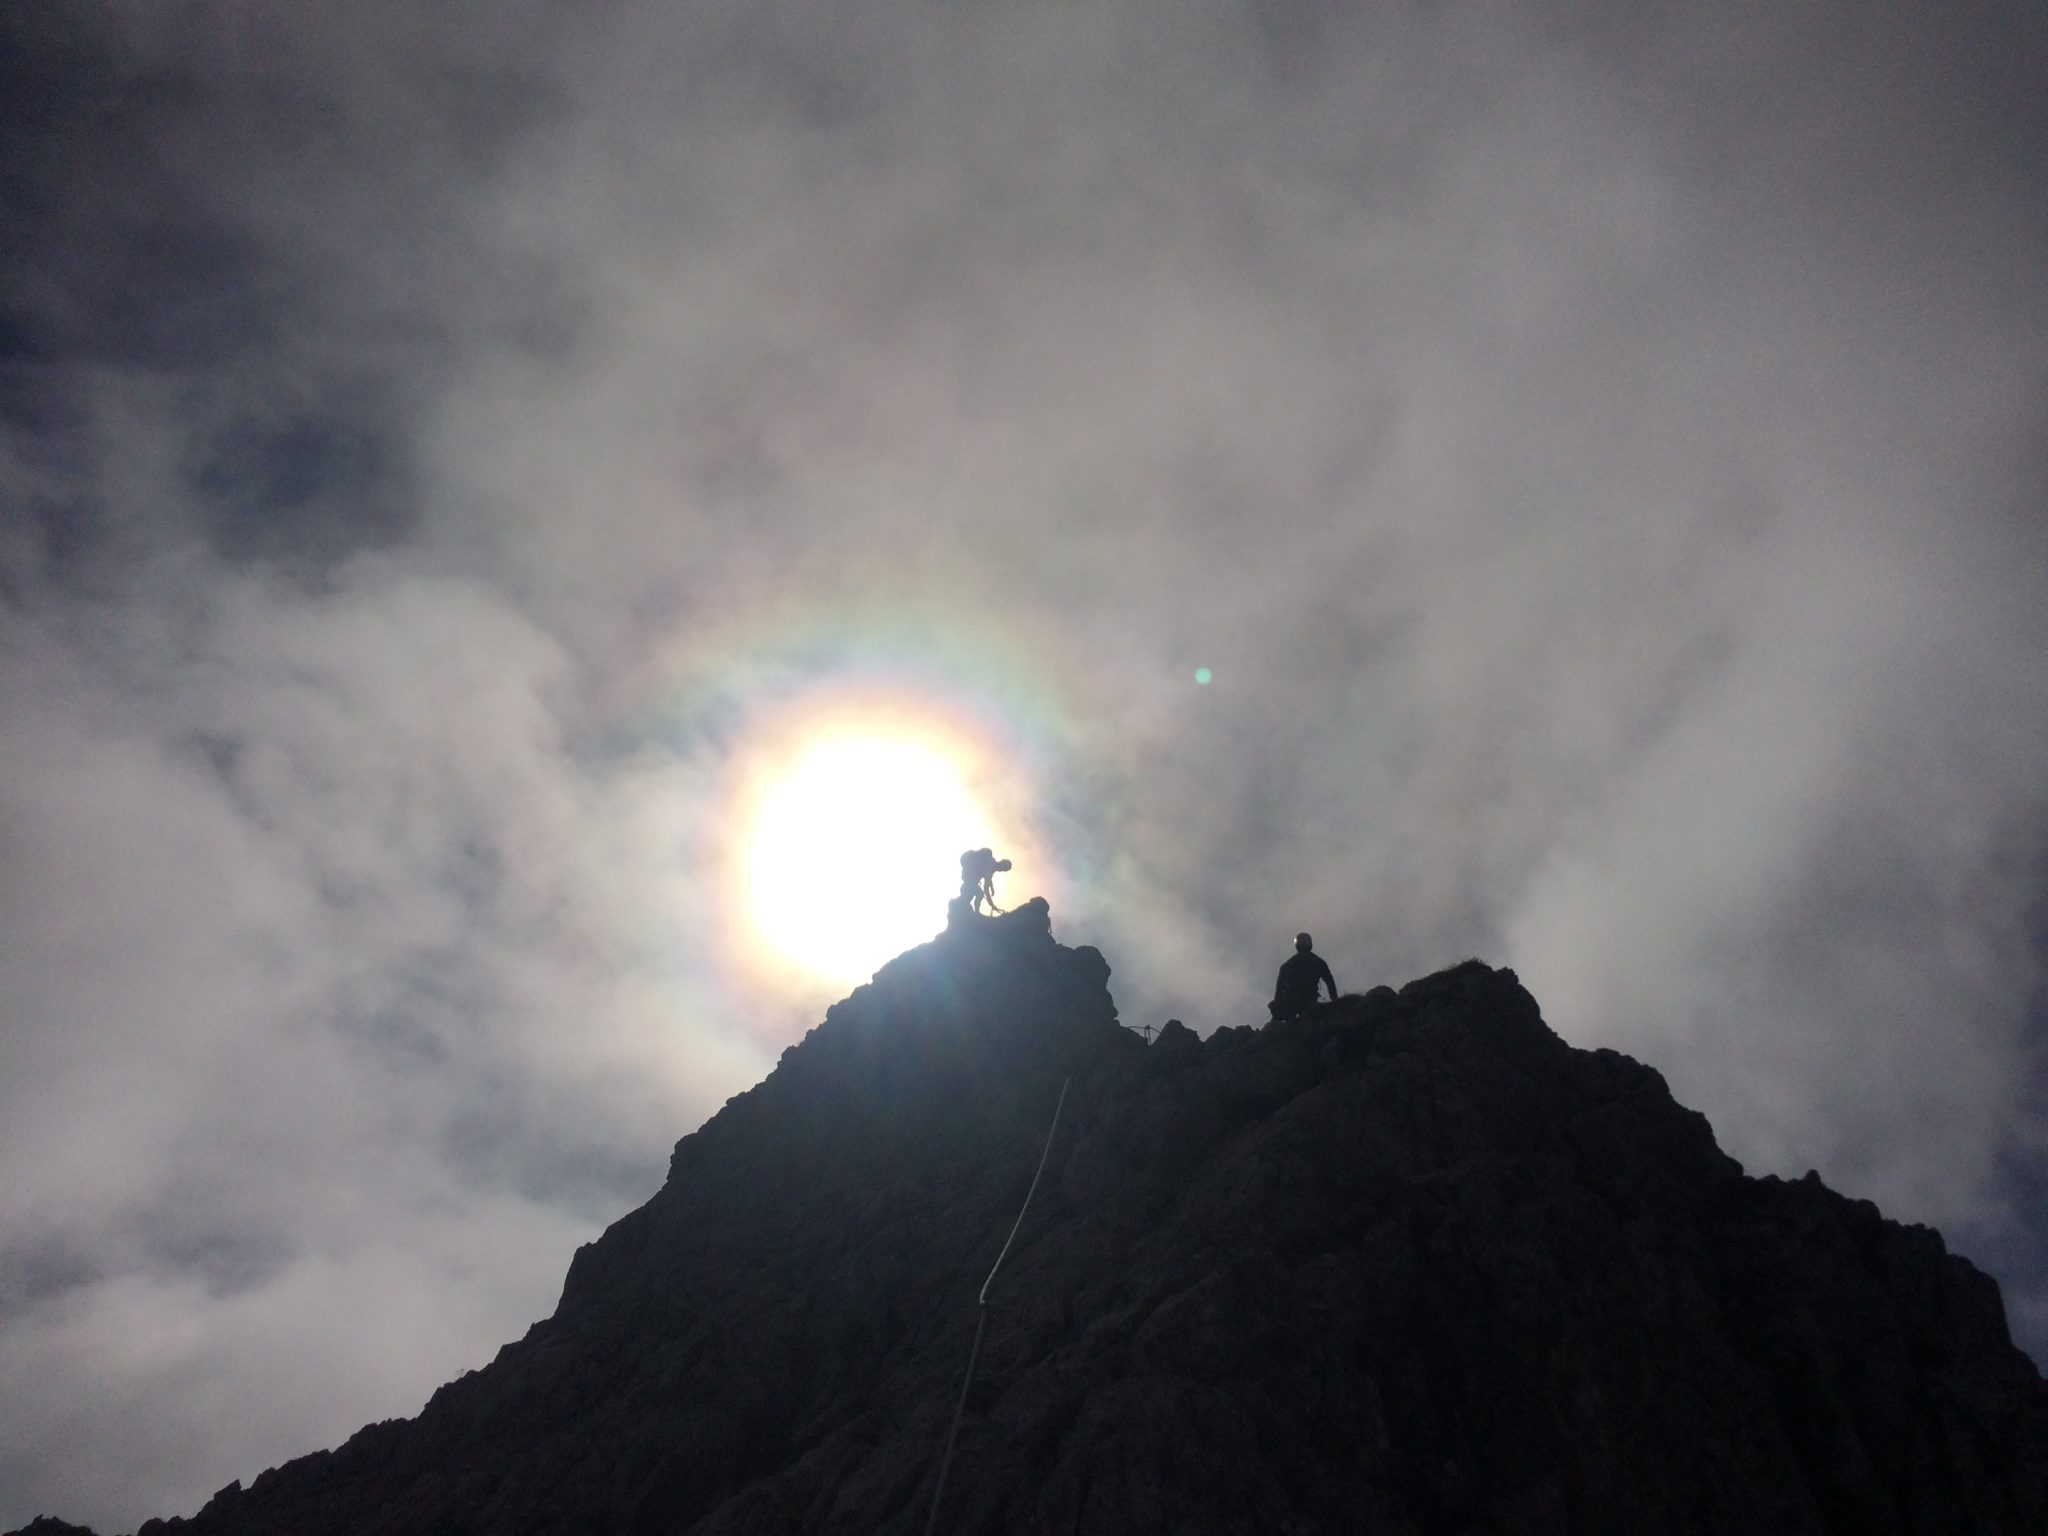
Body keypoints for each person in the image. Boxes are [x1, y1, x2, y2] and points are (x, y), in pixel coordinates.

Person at [1269, 932, 1337, 1023]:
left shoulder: (1288, 965)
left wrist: (1277, 1006)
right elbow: (1329, 981)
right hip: (1306, 1000)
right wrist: (1335, 1001)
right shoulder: (1318, 962)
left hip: (1295, 1000)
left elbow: (1279, 989)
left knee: (1292, 1021)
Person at [958, 848, 1012, 915]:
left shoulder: (990, 864)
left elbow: (988, 881)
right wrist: (992, 904)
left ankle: (973, 912)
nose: (1001, 870)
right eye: (1003, 868)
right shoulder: (990, 865)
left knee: (972, 895)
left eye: (1004, 869)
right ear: (1002, 863)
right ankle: (976, 913)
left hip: (968, 877)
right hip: (969, 878)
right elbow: (986, 889)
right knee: (979, 894)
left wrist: (991, 888)